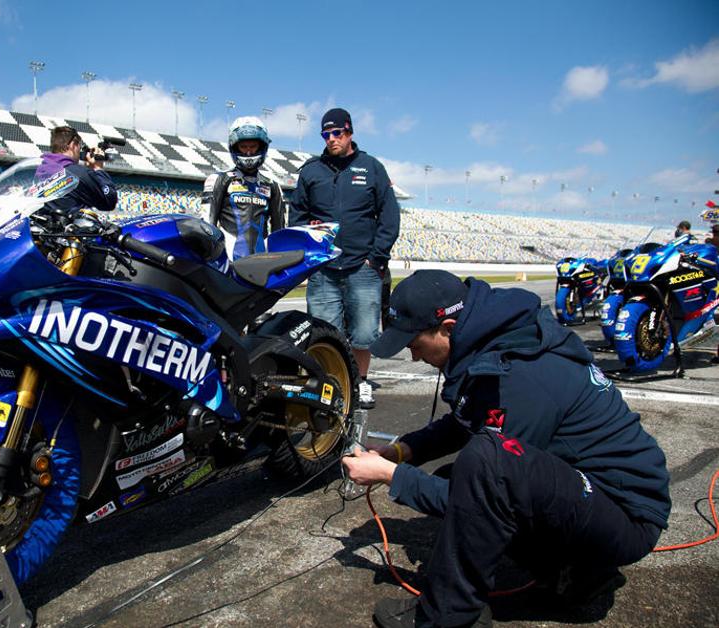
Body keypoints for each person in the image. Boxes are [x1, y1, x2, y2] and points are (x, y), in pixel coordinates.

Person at [342, 270, 671, 628]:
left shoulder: (520, 375)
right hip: (596, 497)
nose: (414, 356)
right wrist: (403, 451)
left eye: (415, 345)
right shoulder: (495, 341)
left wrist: (391, 475)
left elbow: (487, 486)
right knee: (460, 472)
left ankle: (449, 617)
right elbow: (469, 419)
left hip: (625, 515)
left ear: (448, 328)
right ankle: (578, 574)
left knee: (480, 467)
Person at [289, 108, 400, 409]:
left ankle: (361, 382)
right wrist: (308, 239)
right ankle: (333, 384)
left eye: (337, 133)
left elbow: (390, 216)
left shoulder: (371, 167)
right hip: (324, 268)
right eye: (326, 134)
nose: (331, 139)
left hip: (362, 266)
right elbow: (296, 216)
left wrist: (376, 259)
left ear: (349, 132)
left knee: (364, 333)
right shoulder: (311, 171)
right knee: (326, 333)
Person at [202, 116, 285, 260]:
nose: (248, 152)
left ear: (262, 147)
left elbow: (279, 232)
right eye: (243, 146)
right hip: (228, 260)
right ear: (234, 147)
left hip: (262, 262)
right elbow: (206, 226)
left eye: (253, 146)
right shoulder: (219, 180)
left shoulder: (272, 185)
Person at [35, 126, 118, 213]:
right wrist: (98, 168)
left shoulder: (38, 170)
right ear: (73, 145)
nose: (80, 151)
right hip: (65, 220)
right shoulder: (77, 175)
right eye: (80, 146)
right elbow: (109, 202)